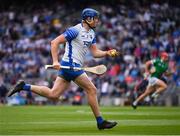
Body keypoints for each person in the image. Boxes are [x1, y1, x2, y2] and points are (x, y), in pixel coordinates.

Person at [8, 8, 118, 130]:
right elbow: (54, 42)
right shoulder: (75, 30)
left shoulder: (92, 33)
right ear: (88, 19)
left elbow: (95, 53)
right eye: (95, 18)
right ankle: (100, 122)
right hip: (71, 64)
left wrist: (107, 53)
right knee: (91, 89)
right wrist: (55, 61)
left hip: (72, 66)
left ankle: (24, 86)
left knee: (53, 95)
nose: (98, 21)